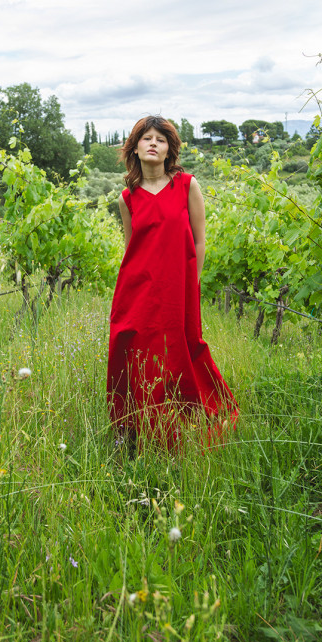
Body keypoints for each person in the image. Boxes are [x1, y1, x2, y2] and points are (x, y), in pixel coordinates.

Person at [106, 115, 239, 450]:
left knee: (183, 345)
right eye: (146, 138)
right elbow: (131, 248)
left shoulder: (187, 186)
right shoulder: (127, 198)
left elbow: (199, 241)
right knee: (131, 348)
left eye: (161, 139)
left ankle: (195, 412)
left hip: (178, 287)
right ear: (135, 148)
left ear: (169, 150)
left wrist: (192, 284)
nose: (153, 143)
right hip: (137, 289)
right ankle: (131, 425)